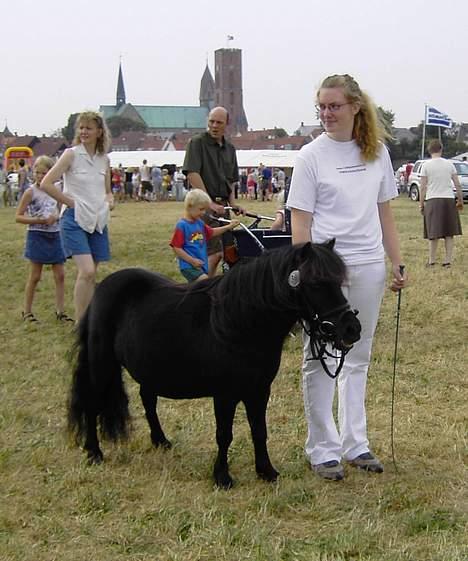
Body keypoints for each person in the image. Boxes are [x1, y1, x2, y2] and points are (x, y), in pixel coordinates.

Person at [287, 73, 407, 481]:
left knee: (358, 356)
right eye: (321, 106)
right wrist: (308, 274)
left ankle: (356, 443)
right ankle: (322, 448)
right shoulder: (309, 157)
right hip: (326, 273)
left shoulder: (376, 154)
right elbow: (299, 223)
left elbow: (384, 213)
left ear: (355, 107)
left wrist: (397, 261)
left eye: (334, 106)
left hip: (370, 266)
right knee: (320, 358)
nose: (326, 113)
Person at [40, 110, 113, 322]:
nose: (84, 131)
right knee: (87, 271)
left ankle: (89, 320)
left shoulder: (104, 160)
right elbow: (46, 183)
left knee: (92, 273)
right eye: (81, 128)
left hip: (98, 220)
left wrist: (110, 199)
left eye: (88, 128)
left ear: (99, 132)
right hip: (74, 219)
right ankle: (81, 324)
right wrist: (70, 203)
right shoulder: (71, 154)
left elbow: (107, 190)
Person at [183, 106, 242, 276]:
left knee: (229, 253)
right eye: (211, 122)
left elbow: (230, 180)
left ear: (227, 124)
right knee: (213, 253)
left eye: (219, 122)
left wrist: (233, 204)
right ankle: (201, 290)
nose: (214, 126)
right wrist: (209, 203)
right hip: (203, 207)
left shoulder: (230, 149)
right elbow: (192, 174)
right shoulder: (197, 143)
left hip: (223, 207)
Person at [15, 156, 73, 323]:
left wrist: (56, 216)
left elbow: (61, 206)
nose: (40, 176)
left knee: (60, 275)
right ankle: (27, 312)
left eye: (44, 173)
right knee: (35, 276)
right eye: (37, 173)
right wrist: (38, 220)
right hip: (37, 235)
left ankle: (60, 311)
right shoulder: (30, 192)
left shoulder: (56, 189)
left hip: (55, 234)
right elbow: (18, 216)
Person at [170, 189, 239, 282]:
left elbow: (212, 232)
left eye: (205, 210)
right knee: (205, 283)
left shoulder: (199, 223)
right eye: (201, 209)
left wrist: (228, 226)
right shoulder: (182, 225)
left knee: (197, 289)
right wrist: (191, 261)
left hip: (201, 264)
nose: (203, 213)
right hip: (189, 266)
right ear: (190, 206)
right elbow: (176, 247)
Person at [419, 140, 463, 267]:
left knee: (433, 232)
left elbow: (422, 187)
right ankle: (447, 261)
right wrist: (460, 200)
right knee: (449, 232)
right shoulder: (449, 164)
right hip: (448, 199)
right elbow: (457, 184)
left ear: (429, 150)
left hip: (432, 199)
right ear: (441, 149)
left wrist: (421, 204)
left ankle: (431, 260)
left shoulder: (426, 165)